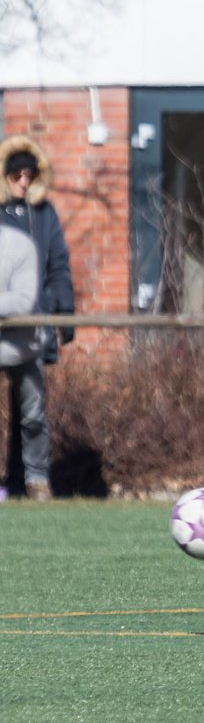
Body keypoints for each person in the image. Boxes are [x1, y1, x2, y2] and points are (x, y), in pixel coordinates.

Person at [0, 136, 75, 502]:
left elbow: (58, 264)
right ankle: (8, 481)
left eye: (29, 174)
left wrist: (65, 311)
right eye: (16, 175)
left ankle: (35, 479)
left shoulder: (45, 214)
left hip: (33, 326)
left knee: (32, 411)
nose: (24, 182)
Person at [0, 223, 44, 503]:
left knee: (33, 415)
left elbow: (24, 300)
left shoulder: (20, 245)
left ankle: (38, 480)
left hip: (22, 345)